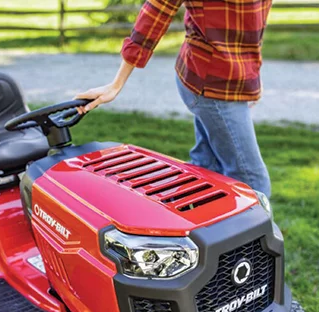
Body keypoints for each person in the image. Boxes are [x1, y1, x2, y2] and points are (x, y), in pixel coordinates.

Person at [75, 0, 273, 197]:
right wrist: (116, 84)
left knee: (206, 170)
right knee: (253, 182)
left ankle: (184, 223)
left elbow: (250, 22)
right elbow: (156, 11)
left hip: (227, 80)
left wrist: (252, 74)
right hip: (211, 84)